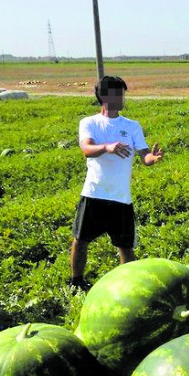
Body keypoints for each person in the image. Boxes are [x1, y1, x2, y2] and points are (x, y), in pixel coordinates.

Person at [70, 75, 164, 289]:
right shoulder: (90, 123)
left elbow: (144, 156)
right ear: (105, 95)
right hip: (94, 194)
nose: (123, 97)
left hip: (121, 197)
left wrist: (153, 159)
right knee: (81, 240)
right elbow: (87, 149)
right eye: (119, 93)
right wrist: (107, 147)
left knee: (125, 246)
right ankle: (76, 282)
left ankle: (127, 284)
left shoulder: (131, 126)